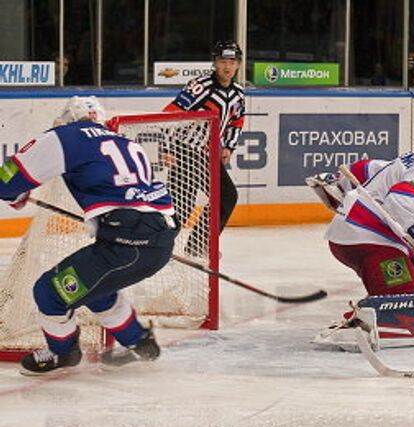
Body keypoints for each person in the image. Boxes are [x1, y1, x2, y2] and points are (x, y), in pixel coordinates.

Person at [0, 96, 179, 374]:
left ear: (69, 119)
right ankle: (140, 342)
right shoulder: (126, 142)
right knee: (96, 291)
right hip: (160, 239)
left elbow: (7, 183)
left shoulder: (66, 136)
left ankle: (63, 353)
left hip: (126, 243)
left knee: (48, 292)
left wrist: (16, 195)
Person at [307, 119, 414, 350]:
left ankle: (370, 312)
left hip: (354, 235)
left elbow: (367, 168)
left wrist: (342, 184)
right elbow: (402, 200)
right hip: (371, 242)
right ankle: (361, 325)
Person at [163, 40, 245, 248]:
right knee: (182, 204)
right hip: (186, 151)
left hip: (208, 155)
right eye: (222, 61)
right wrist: (166, 148)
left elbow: (236, 121)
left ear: (238, 64)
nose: (227, 66)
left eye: (232, 61)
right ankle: (158, 246)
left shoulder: (238, 93)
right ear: (214, 63)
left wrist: (228, 146)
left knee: (226, 196)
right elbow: (170, 114)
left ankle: (198, 245)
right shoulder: (200, 86)